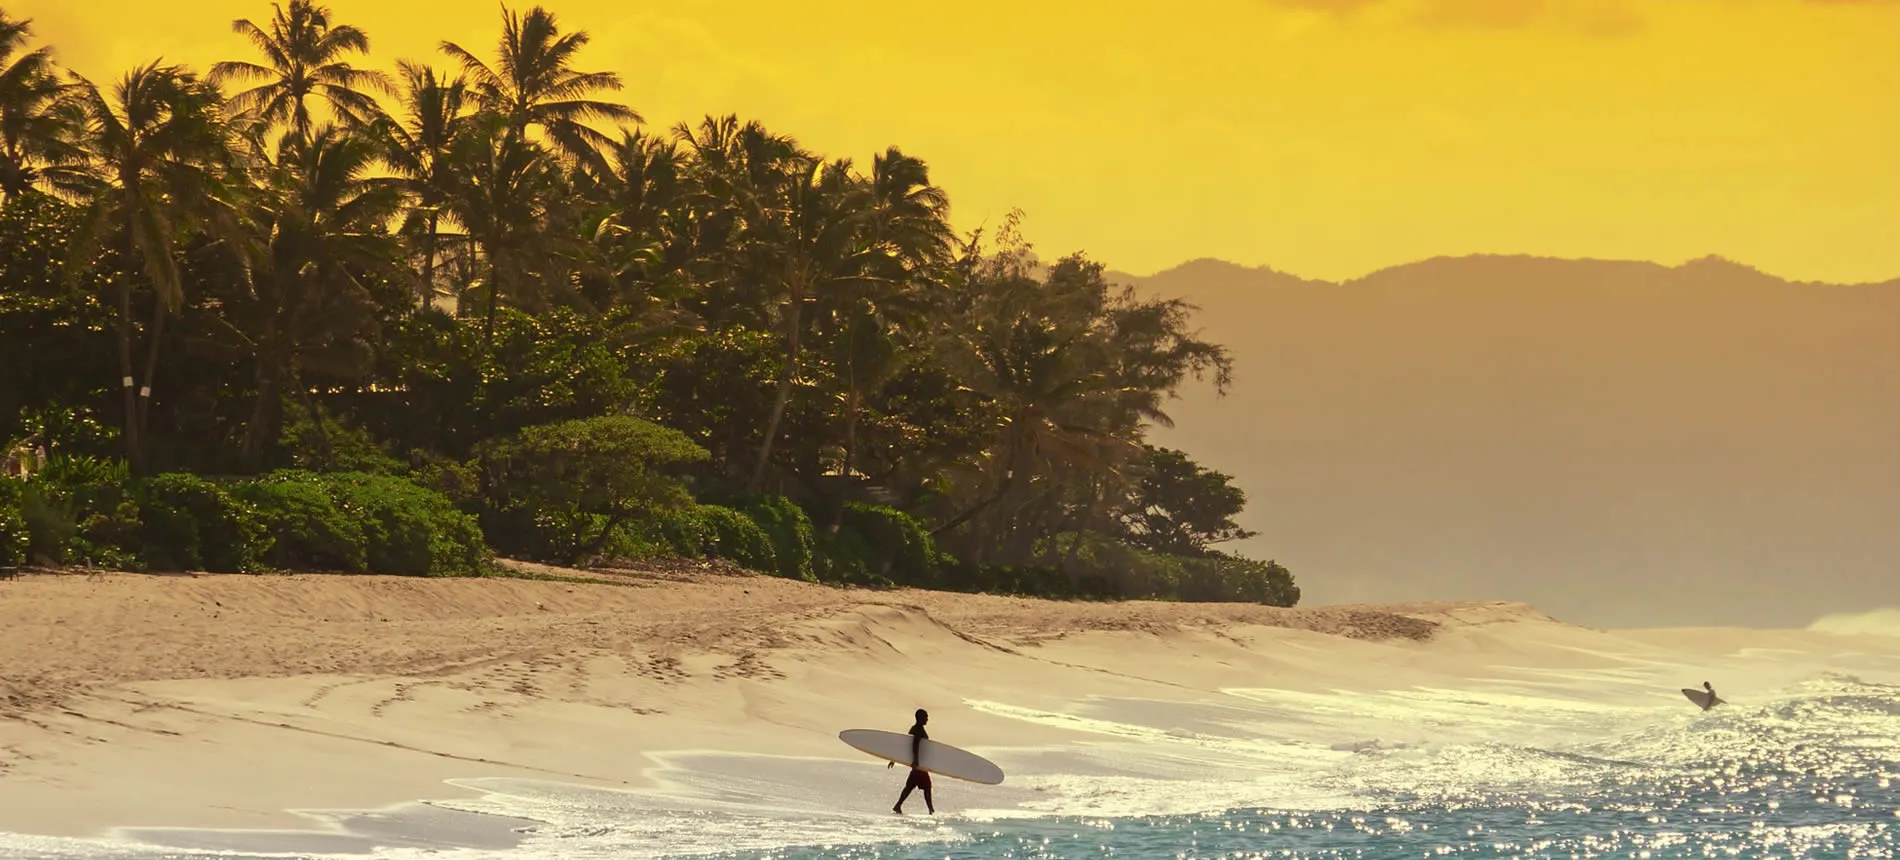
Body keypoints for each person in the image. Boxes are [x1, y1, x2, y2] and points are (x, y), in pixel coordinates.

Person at [889, 708, 934, 814]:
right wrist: (915, 761)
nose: (927, 719)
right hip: (918, 764)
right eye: (925, 717)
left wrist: (894, 758)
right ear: (920, 718)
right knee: (926, 786)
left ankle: (898, 805)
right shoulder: (918, 730)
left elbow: (904, 746)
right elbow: (914, 745)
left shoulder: (916, 729)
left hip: (918, 764)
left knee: (910, 786)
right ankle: (931, 810)